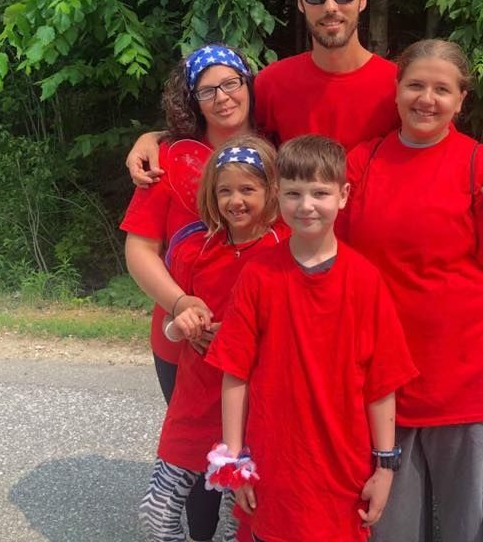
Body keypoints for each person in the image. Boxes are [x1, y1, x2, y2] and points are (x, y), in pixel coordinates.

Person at [125, 0, 483, 223]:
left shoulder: (401, 86)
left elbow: (445, 154)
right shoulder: (273, 83)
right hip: (293, 258)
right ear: (301, 2)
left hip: (378, 259)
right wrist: (156, 138)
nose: (330, 7)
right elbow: (224, 132)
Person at [342, 39, 483, 542]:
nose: (427, 99)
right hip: (384, 391)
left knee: (466, 532)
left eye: (442, 89)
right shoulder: (361, 164)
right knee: (388, 530)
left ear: (461, 100)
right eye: (416, 85)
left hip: (470, 392)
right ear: (396, 92)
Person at [205, 135, 419, 542]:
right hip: (274, 465)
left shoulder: (365, 281)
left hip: (343, 470)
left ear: (343, 195)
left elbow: (382, 383)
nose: (306, 205)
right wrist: (234, 459)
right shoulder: (258, 275)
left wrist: (385, 466)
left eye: (320, 192)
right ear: (277, 196)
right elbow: (235, 371)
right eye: (294, 193)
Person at [139, 135, 283, 542]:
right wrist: (181, 321)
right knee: (157, 510)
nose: (235, 201)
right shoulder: (195, 249)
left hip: (247, 408)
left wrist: (243, 338)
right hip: (194, 397)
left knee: (237, 518)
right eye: (225, 191)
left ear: (271, 191)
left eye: (247, 189)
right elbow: (171, 326)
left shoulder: (283, 252)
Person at [121, 43, 256, 404]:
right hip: (184, 339)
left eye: (231, 83)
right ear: (192, 99)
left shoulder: (276, 153)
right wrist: (180, 303)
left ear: (248, 84)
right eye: (207, 90)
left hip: (260, 341)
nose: (223, 98)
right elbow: (139, 249)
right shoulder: (167, 158)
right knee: (190, 454)